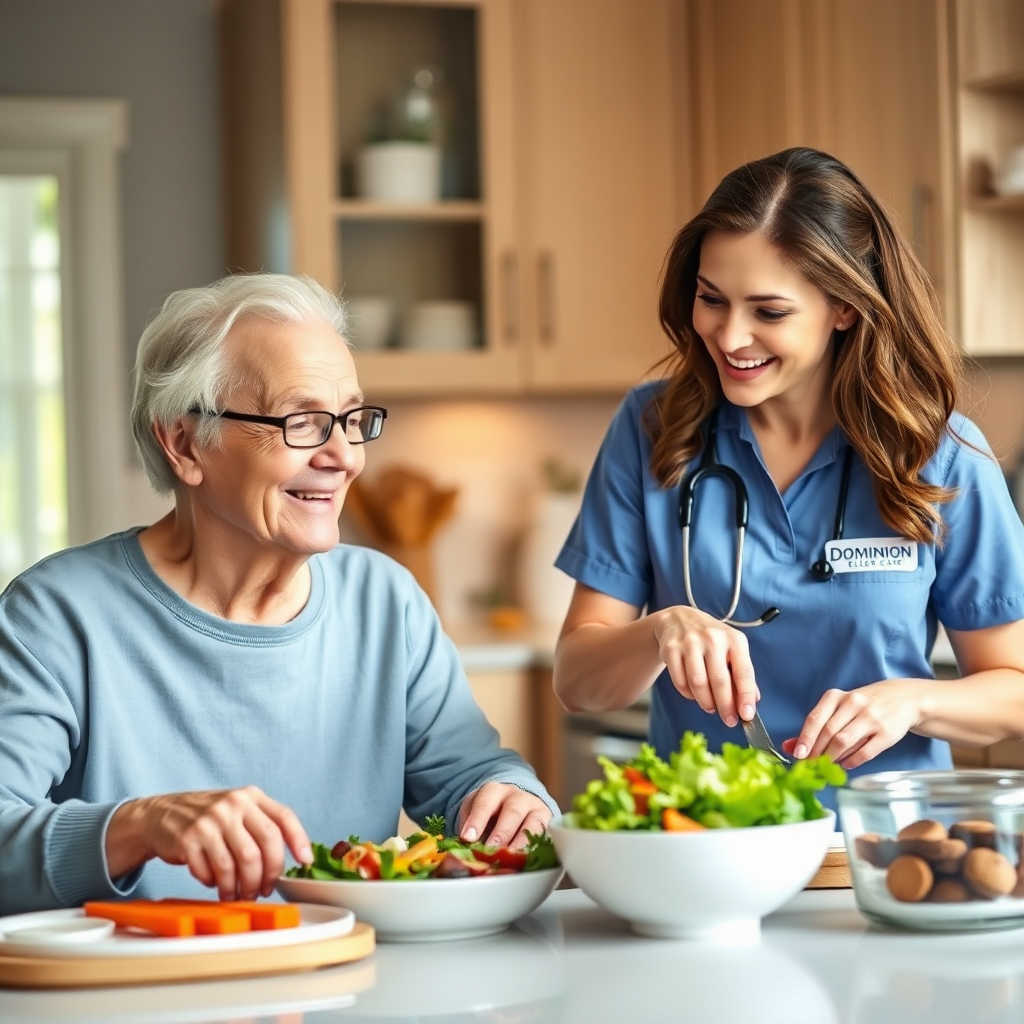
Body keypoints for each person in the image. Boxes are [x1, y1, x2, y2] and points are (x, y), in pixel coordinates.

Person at [0, 273, 555, 916]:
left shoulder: (385, 601)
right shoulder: (58, 615)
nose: (345, 457)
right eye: (303, 421)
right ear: (184, 443)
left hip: (345, 990)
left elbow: (471, 776)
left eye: (352, 419)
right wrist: (137, 825)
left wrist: (515, 796)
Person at [552, 147, 1024, 809]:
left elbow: (1014, 688)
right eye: (711, 299)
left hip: (881, 856)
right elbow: (578, 681)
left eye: (768, 312)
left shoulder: (942, 456)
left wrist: (913, 702)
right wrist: (660, 630)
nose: (730, 335)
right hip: (701, 850)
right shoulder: (651, 428)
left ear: (846, 308)